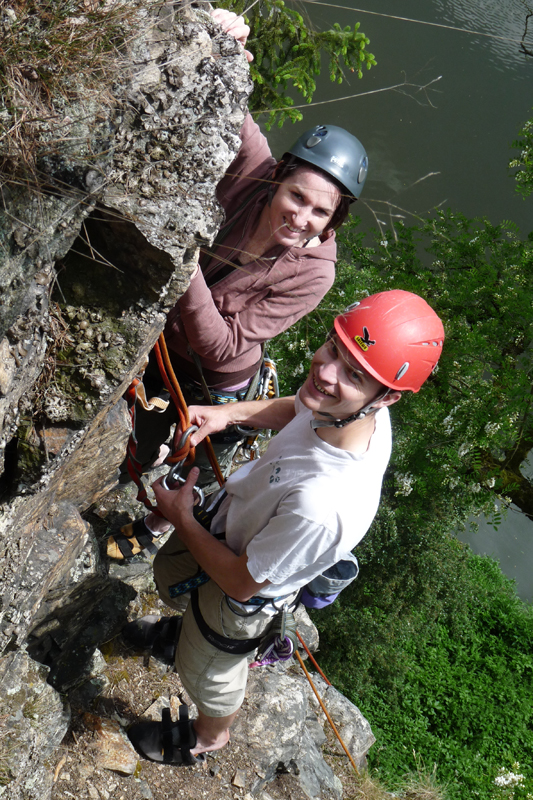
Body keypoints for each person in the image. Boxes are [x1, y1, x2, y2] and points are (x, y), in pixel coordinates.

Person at [125, 290, 445, 764]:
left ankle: (209, 737)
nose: (327, 370)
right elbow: (298, 407)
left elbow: (239, 580)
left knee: (210, 674)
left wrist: (181, 517)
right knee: (182, 593)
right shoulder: (345, 410)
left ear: (387, 397)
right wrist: (226, 414)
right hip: (233, 529)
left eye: (354, 374)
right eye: (335, 348)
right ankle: (185, 632)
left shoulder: (326, 504)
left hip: (242, 589)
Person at [107, 8, 370, 560]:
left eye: (320, 213)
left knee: (185, 451)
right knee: (140, 431)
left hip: (215, 376)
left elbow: (224, 344)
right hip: (165, 336)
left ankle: (157, 525)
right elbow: (230, 106)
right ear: (278, 178)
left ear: (334, 220)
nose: (302, 218)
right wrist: (225, 39)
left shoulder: (316, 272)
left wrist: (184, 264)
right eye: (296, 196)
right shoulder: (253, 171)